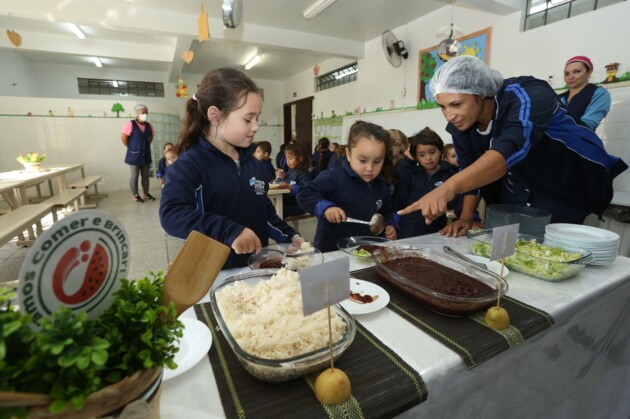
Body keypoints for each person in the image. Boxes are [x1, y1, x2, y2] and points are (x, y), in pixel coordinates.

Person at [398, 55, 627, 237]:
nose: (449, 115)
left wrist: (446, 188)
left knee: (549, 253)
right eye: (443, 107)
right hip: (518, 183)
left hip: (566, 179)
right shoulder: (461, 126)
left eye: (456, 104)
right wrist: (467, 215)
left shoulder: (527, 94)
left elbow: (509, 149)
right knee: (506, 249)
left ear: (482, 94)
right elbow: (469, 168)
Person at [159, 68, 302, 269]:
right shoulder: (189, 165)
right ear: (215, 116)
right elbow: (171, 216)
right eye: (247, 119)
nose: (256, 126)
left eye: (257, 118)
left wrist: (290, 235)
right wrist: (229, 231)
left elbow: (265, 212)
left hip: (257, 267)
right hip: (212, 273)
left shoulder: (254, 165)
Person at [298, 121, 397, 252]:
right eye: (362, 160)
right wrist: (325, 207)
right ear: (349, 154)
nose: (370, 168)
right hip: (331, 252)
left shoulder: (381, 184)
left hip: (365, 252)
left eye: (377, 161)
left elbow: (386, 212)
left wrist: (390, 225)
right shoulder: (334, 176)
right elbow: (304, 194)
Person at [394, 129, 458, 238]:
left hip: (439, 233)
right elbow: (399, 203)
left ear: (440, 151)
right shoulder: (410, 175)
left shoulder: (450, 174)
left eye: (432, 152)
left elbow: (456, 204)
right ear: (416, 157)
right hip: (409, 233)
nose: (428, 158)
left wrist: (454, 219)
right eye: (422, 155)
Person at [558, 55, 611, 130]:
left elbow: (587, 125)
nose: (570, 77)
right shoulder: (559, 98)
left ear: (588, 72)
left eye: (577, 71)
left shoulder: (598, 93)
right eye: (567, 73)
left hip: (580, 140)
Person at [121, 104, 156, 203]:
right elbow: (123, 137)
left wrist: (145, 145)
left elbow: (151, 137)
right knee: (135, 175)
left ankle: (146, 194)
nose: (145, 114)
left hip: (145, 154)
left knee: (145, 175)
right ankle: (135, 195)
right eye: (143, 112)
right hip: (134, 154)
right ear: (137, 113)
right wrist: (131, 147)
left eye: (146, 112)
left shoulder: (149, 125)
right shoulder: (130, 124)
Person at [274, 141, 313, 217]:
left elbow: (307, 192)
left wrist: (290, 187)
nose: (287, 161)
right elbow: (284, 184)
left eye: (290, 158)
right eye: (286, 158)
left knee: (275, 210)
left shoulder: (304, 174)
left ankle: (281, 228)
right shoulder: (290, 171)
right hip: (288, 202)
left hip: (298, 206)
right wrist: (281, 178)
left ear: (300, 158)